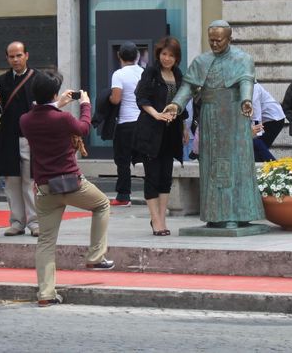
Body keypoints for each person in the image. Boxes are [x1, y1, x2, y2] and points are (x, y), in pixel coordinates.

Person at [19, 71, 113, 307]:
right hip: (71, 182)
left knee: (46, 242)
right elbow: (83, 128)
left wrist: (57, 103)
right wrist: (85, 104)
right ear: (52, 93)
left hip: (44, 188)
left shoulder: (26, 120)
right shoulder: (61, 120)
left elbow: (40, 113)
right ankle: (95, 256)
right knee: (102, 204)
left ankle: (46, 294)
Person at [164, 20, 265, 230]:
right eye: (211, 40)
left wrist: (246, 100)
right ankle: (214, 213)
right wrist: (176, 104)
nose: (215, 44)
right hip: (210, 118)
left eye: (219, 40)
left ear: (229, 38)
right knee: (211, 165)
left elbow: (246, 80)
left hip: (234, 117)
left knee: (235, 165)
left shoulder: (242, 59)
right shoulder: (202, 61)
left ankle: (236, 214)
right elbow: (188, 87)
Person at [132, 36, 187, 236]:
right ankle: (155, 220)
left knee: (165, 177)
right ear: (158, 54)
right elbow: (141, 98)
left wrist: (184, 128)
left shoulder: (179, 74)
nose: (167, 58)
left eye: (171, 55)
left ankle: (162, 219)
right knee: (152, 176)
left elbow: (182, 103)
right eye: (164, 54)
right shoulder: (151, 72)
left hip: (171, 132)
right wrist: (156, 114)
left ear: (176, 58)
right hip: (150, 130)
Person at [0, 41, 39, 237]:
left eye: (19, 55)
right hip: (8, 137)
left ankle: (35, 223)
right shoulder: (0, 80)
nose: (15, 59)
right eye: (11, 56)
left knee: (29, 181)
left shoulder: (37, 79)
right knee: (12, 182)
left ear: (26, 55)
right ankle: (17, 222)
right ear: (7, 58)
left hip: (30, 138)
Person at [109, 41, 144, 206]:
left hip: (125, 123)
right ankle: (154, 192)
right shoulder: (144, 72)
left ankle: (123, 195)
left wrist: (106, 98)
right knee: (146, 158)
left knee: (122, 160)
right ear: (137, 56)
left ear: (119, 56)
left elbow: (116, 99)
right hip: (143, 122)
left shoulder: (119, 74)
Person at [251, 82, 286, 161]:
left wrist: (256, 134)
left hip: (274, 119)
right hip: (268, 119)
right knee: (256, 149)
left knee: (257, 143)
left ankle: (274, 167)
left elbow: (256, 115)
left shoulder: (254, 89)